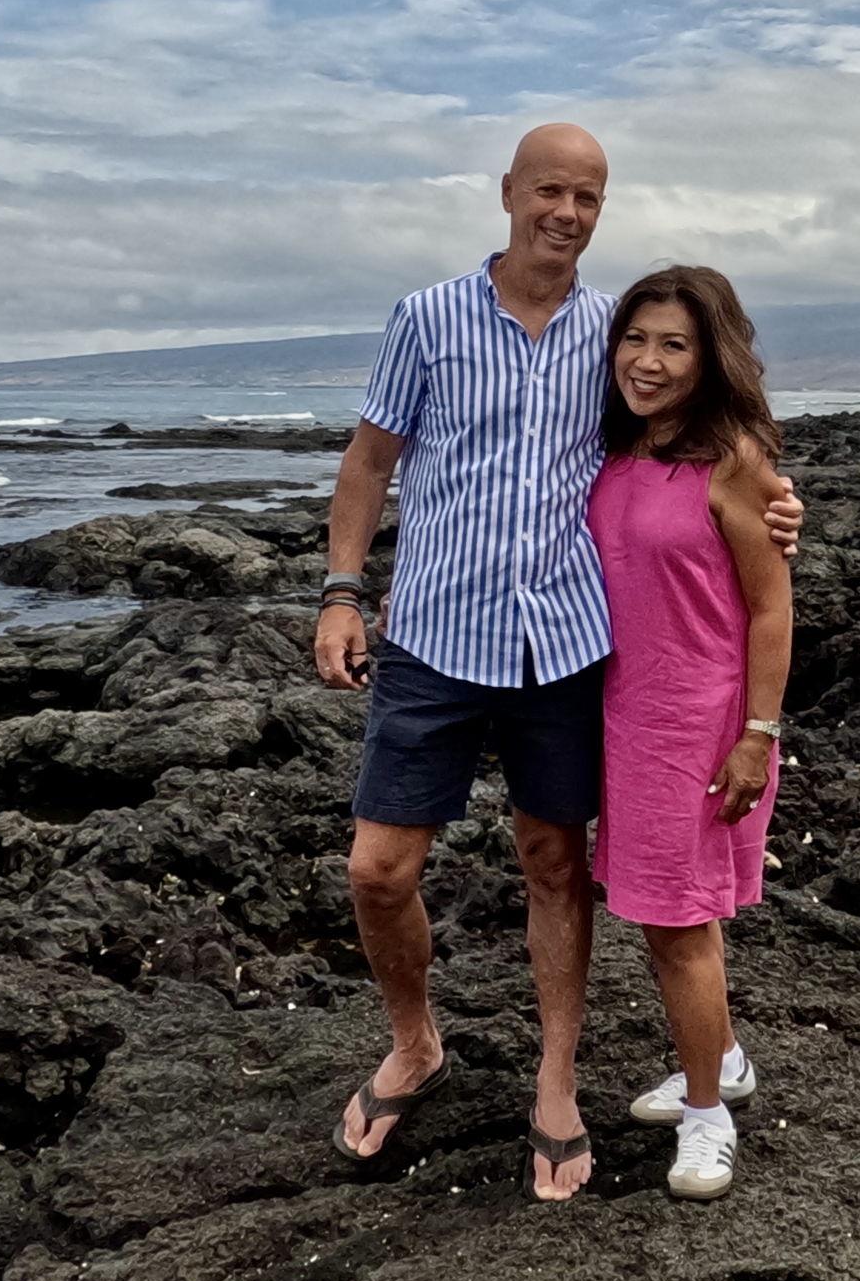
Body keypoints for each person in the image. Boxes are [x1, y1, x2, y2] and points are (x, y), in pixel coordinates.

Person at [313, 123, 800, 1201]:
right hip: (435, 635)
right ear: (507, 193)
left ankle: (555, 1077)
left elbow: (694, 451)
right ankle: (414, 1041)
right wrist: (342, 591)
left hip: (565, 650)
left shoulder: (612, 334)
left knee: (552, 862)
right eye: (548, 190)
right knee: (375, 868)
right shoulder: (428, 317)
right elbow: (370, 458)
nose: (565, 212)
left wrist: (770, 506)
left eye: (586, 195)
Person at [589, 265, 791, 1201]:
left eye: (675, 344)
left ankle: (709, 1115)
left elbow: (769, 605)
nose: (649, 361)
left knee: (678, 921)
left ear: (712, 357)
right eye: (637, 339)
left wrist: (758, 731)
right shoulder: (612, 448)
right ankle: (728, 1060)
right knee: (666, 912)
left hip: (702, 722)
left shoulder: (734, 459)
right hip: (623, 715)